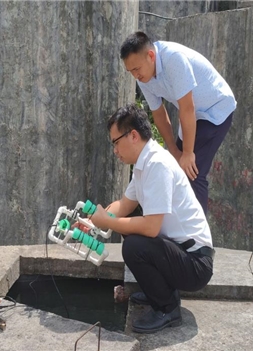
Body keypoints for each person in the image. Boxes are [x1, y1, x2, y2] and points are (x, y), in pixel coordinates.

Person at [89, 104, 215, 334]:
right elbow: (125, 205)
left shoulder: (157, 164)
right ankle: (159, 290)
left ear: (133, 135)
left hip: (196, 263)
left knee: (135, 245)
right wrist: (93, 221)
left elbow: (151, 227)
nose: (115, 150)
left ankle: (167, 308)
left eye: (116, 142)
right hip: (180, 253)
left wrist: (107, 222)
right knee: (129, 229)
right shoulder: (143, 164)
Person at [120, 31, 236, 214]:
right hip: (194, 115)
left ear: (151, 56)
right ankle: (178, 233)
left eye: (137, 69)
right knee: (175, 168)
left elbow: (187, 108)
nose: (136, 75)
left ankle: (199, 240)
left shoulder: (173, 59)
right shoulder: (144, 77)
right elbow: (159, 114)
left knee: (193, 172)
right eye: (131, 71)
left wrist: (188, 153)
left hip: (216, 110)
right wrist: (174, 150)